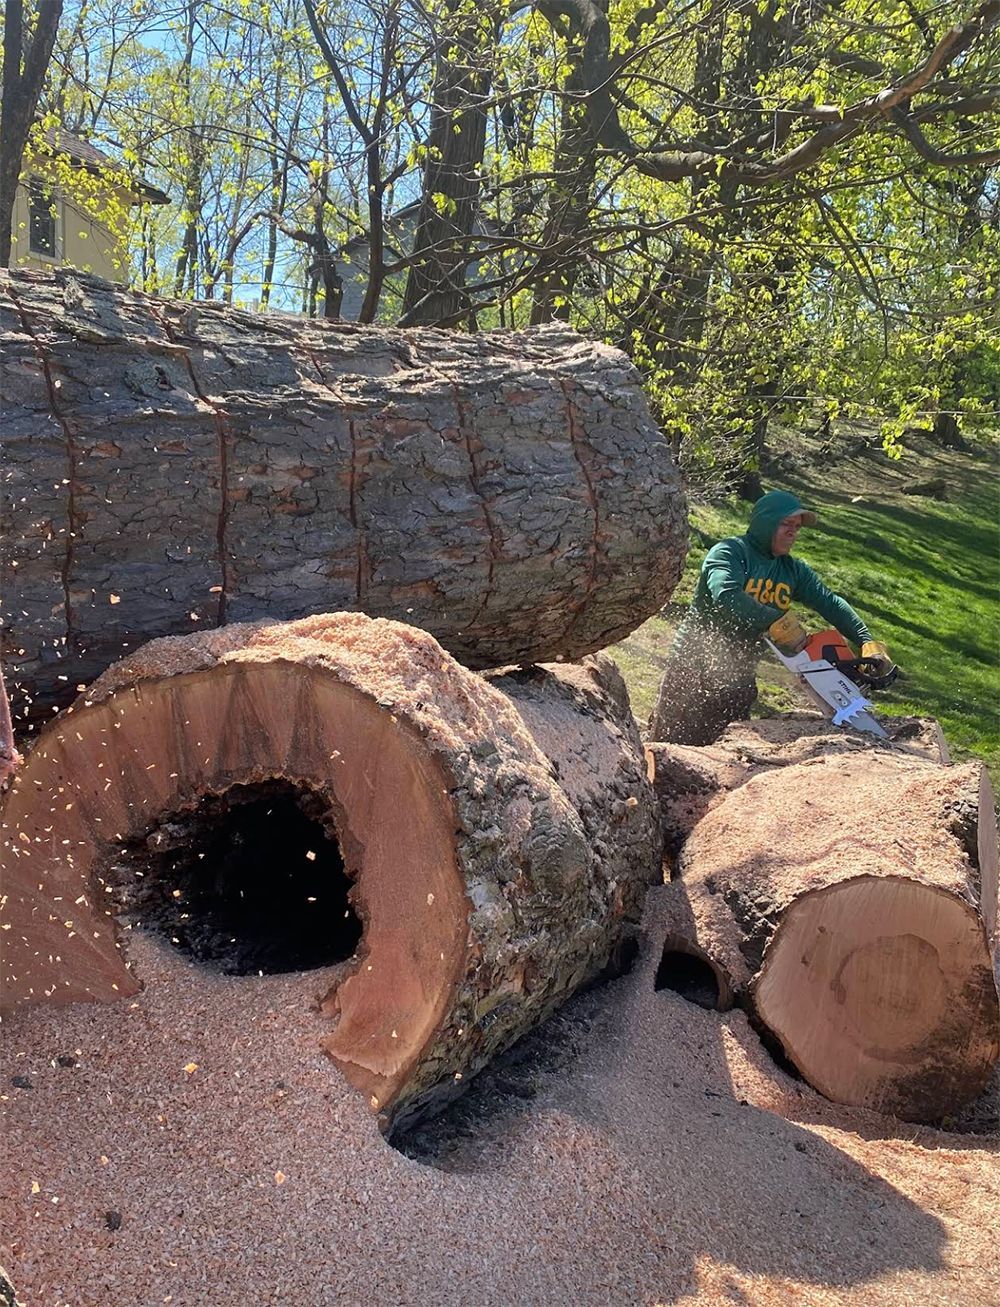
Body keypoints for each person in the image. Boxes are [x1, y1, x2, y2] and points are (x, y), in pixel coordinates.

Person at [648, 489, 892, 744]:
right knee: (669, 746)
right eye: (786, 524)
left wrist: (866, 641)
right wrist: (774, 621)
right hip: (691, 668)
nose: (793, 532)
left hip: (739, 676)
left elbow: (830, 603)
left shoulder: (792, 570)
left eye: (797, 527)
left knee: (723, 752)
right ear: (766, 523)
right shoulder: (729, 553)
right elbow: (727, 595)